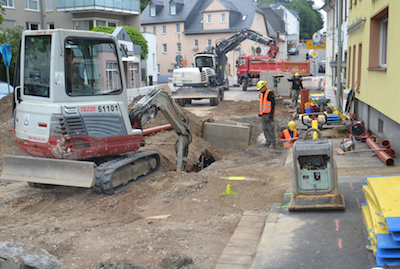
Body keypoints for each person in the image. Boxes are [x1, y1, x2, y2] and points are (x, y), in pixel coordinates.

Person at [257, 80, 276, 148]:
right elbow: (261, 106)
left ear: (263, 87)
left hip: (269, 114)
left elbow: (273, 104)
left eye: (260, 88)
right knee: (265, 128)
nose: (259, 90)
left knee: (270, 128)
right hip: (263, 114)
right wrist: (260, 115)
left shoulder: (270, 93)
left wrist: (271, 114)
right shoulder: (262, 95)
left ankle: (272, 142)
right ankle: (268, 141)